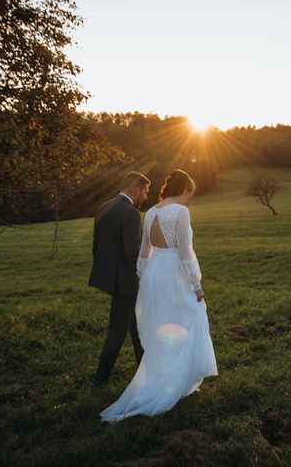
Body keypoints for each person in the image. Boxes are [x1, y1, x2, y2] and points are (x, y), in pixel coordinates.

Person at [100, 169, 218, 423]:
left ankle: (163, 377)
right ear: (184, 190)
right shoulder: (180, 212)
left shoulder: (151, 211)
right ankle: (176, 382)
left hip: (154, 275)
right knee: (185, 321)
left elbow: (144, 253)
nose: (189, 200)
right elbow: (185, 253)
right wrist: (196, 285)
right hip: (174, 274)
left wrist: (145, 280)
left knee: (161, 327)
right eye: (190, 194)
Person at [89, 171, 151, 387]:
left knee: (137, 329)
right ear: (136, 190)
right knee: (117, 332)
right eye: (144, 192)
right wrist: (148, 275)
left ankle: (145, 373)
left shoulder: (104, 207)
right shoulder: (131, 213)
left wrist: (108, 276)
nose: (145, 197)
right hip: (126, 283)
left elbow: (97, 248)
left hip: (110, 280)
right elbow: (134, 253)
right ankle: (99, 382)